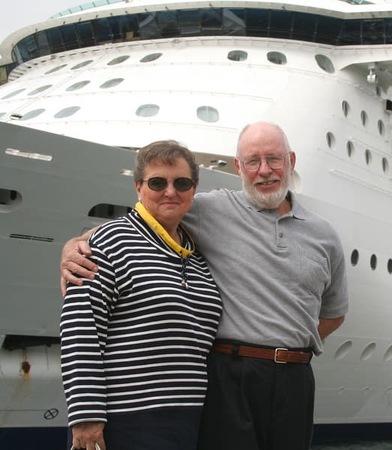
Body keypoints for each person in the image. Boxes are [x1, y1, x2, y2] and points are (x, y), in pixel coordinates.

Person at [61, 122, 349, 450]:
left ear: (291, 161)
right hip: (226, 377)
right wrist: (76, 245)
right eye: (253, 161)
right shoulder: (209, 209)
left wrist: (290, 343)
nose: (264, 170)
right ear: (238, 166)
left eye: (274, 159)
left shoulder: (324, 234)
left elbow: (335, 313)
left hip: (291, 380)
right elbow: (145, 220)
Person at [60, 140, 223, 450]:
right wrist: (86, 416)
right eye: (157, 182)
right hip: (123, 422)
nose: (170, 192)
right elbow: (81, 329)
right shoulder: (109, 242)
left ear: (194, 189)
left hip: (186, 422)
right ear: (138, 187)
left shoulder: (196, 257)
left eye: (182, 183)